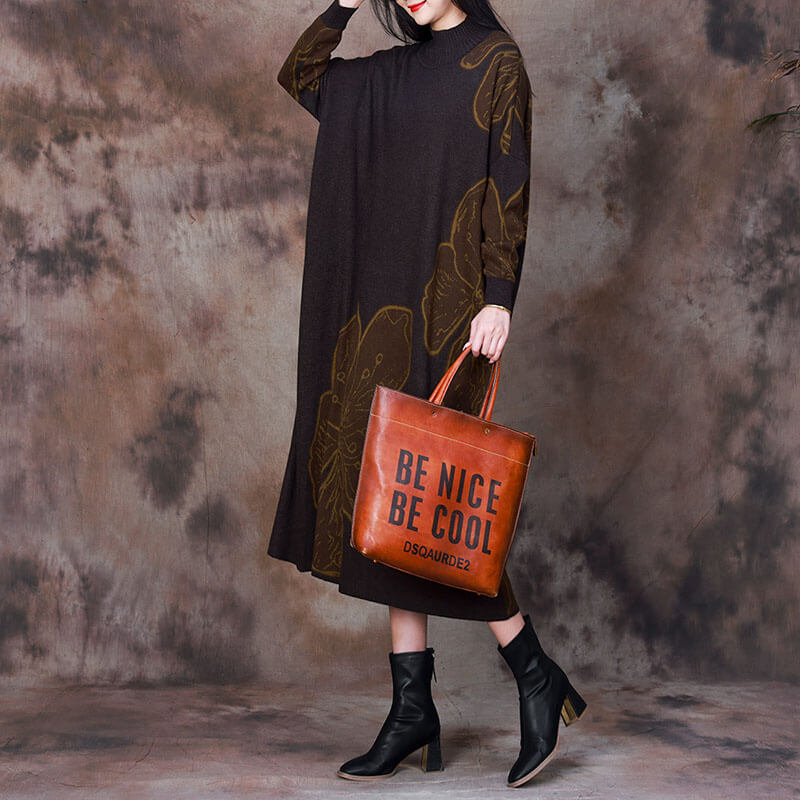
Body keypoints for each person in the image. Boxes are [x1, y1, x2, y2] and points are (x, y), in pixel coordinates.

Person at [269, 0, 586, 787]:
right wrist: (344, 3)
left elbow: (509, 181)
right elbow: (300, 74)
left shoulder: (496, 61)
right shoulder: (388, 74)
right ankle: (415, 708)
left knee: (431, 498)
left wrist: (500, 297)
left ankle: (532, 671)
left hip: (449, 305)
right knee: (390, 504)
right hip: (375, 305)